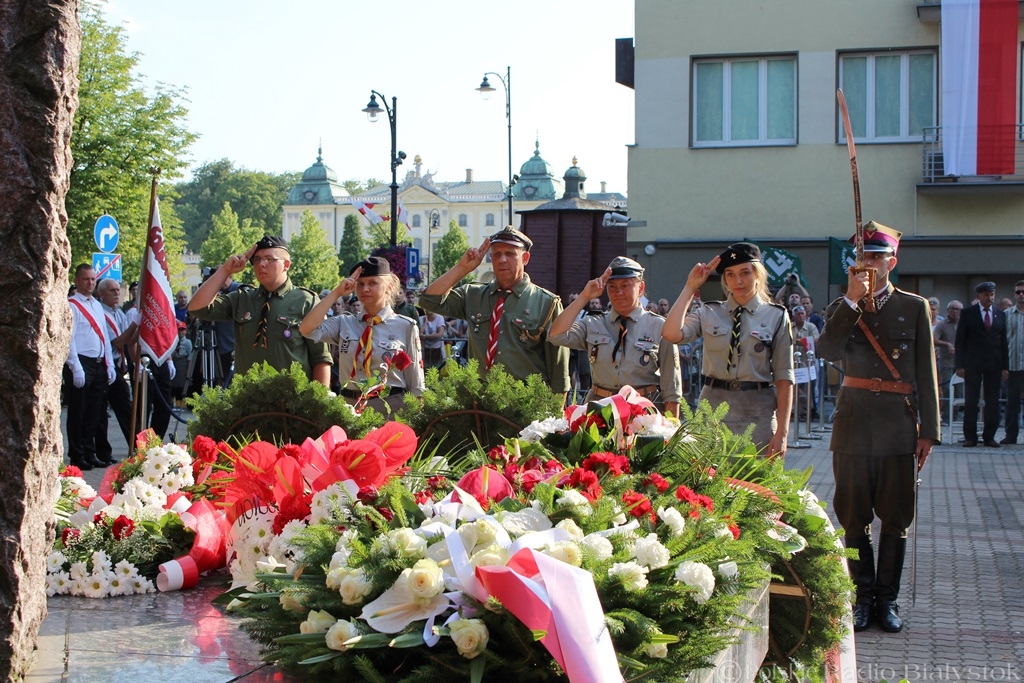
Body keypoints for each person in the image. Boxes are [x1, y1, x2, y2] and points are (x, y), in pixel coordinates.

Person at [817, 221, 940, 634]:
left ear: (892, 261)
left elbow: (926, 373)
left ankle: (887, 600)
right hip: (852, 426)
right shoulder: (841, 307)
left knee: (896, 518)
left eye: (877, 256)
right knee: (853, 519)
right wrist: (851, 301)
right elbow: (827, 350)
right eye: (863, 256)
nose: (869, 263)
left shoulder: (913, 307)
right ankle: (861, 598)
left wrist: (929, 431)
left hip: (897, 426)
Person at [663, 243, 794, 457]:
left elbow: (784, 378)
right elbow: (670, 334)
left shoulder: (776, 315)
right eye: (730, 274)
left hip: (757, 410)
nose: (738, 281)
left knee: (757, 476)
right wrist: (690, 287)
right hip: (712, 408)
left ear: (758, 274)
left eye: (745, 273)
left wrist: (782, 432)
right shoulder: (709, 312)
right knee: (708, 476)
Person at [419, 226, 569, 394]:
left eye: (510, 254)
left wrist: (558, 406)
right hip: (480, 398)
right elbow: (429, 300)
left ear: (525, 258)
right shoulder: (473, 295)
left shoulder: (546, 303)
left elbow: (559, 368)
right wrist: (463, 268)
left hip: (525, 400)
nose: (502, 259)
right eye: (497, 254)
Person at [188, 235, 332, 386]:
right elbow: (196, 308)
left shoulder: (306, 301)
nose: (261, 264)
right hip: (248, 396)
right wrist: (225, 270)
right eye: (256, 260)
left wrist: (318, 397)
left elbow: (321, 357)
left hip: (292, 396)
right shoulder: (242, 298)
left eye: (269, 259)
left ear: (286, 264)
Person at [549, 257, 682, 417]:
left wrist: (671, 425)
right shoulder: (593, 323)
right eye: (612, 287)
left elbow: (672, 389)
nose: (618, 292)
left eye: (625, 286)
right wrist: (584, 297)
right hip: (600, 409)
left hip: (643, 411)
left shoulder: (660, 326)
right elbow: (556, 335)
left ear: (641, 288)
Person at [299, 256, 424, 413]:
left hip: (390, 408)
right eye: (360, 284)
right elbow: (306, 329)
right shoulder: (344, 323)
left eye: (372, 283)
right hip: (349, 407)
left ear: (389, 287)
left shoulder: (405, 326)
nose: (365, 289)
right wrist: (336, 293)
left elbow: (416, 381)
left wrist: (416, 414)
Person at [65, 265, 116, 470]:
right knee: (79, 411)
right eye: (86, 279)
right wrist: (75, 366)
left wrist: (109, 363)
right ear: (77, 280)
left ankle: (89, 451)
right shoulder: (72, 305)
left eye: (93, 279)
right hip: (81, 361)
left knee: (94, 412)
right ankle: (77, 454)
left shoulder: (96, 305)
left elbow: (104, 336)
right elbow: (69, 338)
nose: (90, 283)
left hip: (97, 362)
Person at [955, 281, 1008, 448]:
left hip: (994, 363)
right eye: (986, 295)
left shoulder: (1000, 314)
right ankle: (970, 437)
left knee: (992, 402)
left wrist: (1005, 366)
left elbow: (1004, 342)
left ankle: (989, 437)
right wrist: (959, 365)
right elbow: (960, 340)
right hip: (973, 363)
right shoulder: (968, 313)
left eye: (992, 295)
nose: (990, 298)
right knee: (971, 400)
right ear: (979, 296)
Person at [96, 277, 136, 449]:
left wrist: (140, 328)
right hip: (105, 363)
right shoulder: (100, 313)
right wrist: (135, 325)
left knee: (124, 406)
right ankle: (103, 450)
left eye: (118, 289)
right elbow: (118, 342)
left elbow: (129, 340)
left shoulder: (118, 313)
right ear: (101, 294)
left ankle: (135, 446)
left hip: (118, 363)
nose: (117, 293)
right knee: (103, 409)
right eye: (112, 290)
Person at [1003, 281, 1024, 445]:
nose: (1021, 295)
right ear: (1014, 295)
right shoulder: (1006, 315)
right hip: (1012, 365)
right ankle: (1010, 435)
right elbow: (1001, 341)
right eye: (1018, 292)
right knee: (1012, 402)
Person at [933, 300, 962, 406]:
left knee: (959, 390)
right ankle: (946, 414)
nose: (955, 311)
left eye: (957, 309)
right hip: (946, 362)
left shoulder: (964, 324)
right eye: (952, 309)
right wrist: (947, 344)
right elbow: (934, 339)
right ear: (948, 310)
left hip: (960, 362)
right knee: (947, 389)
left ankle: (957, 413)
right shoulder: (942, 324)